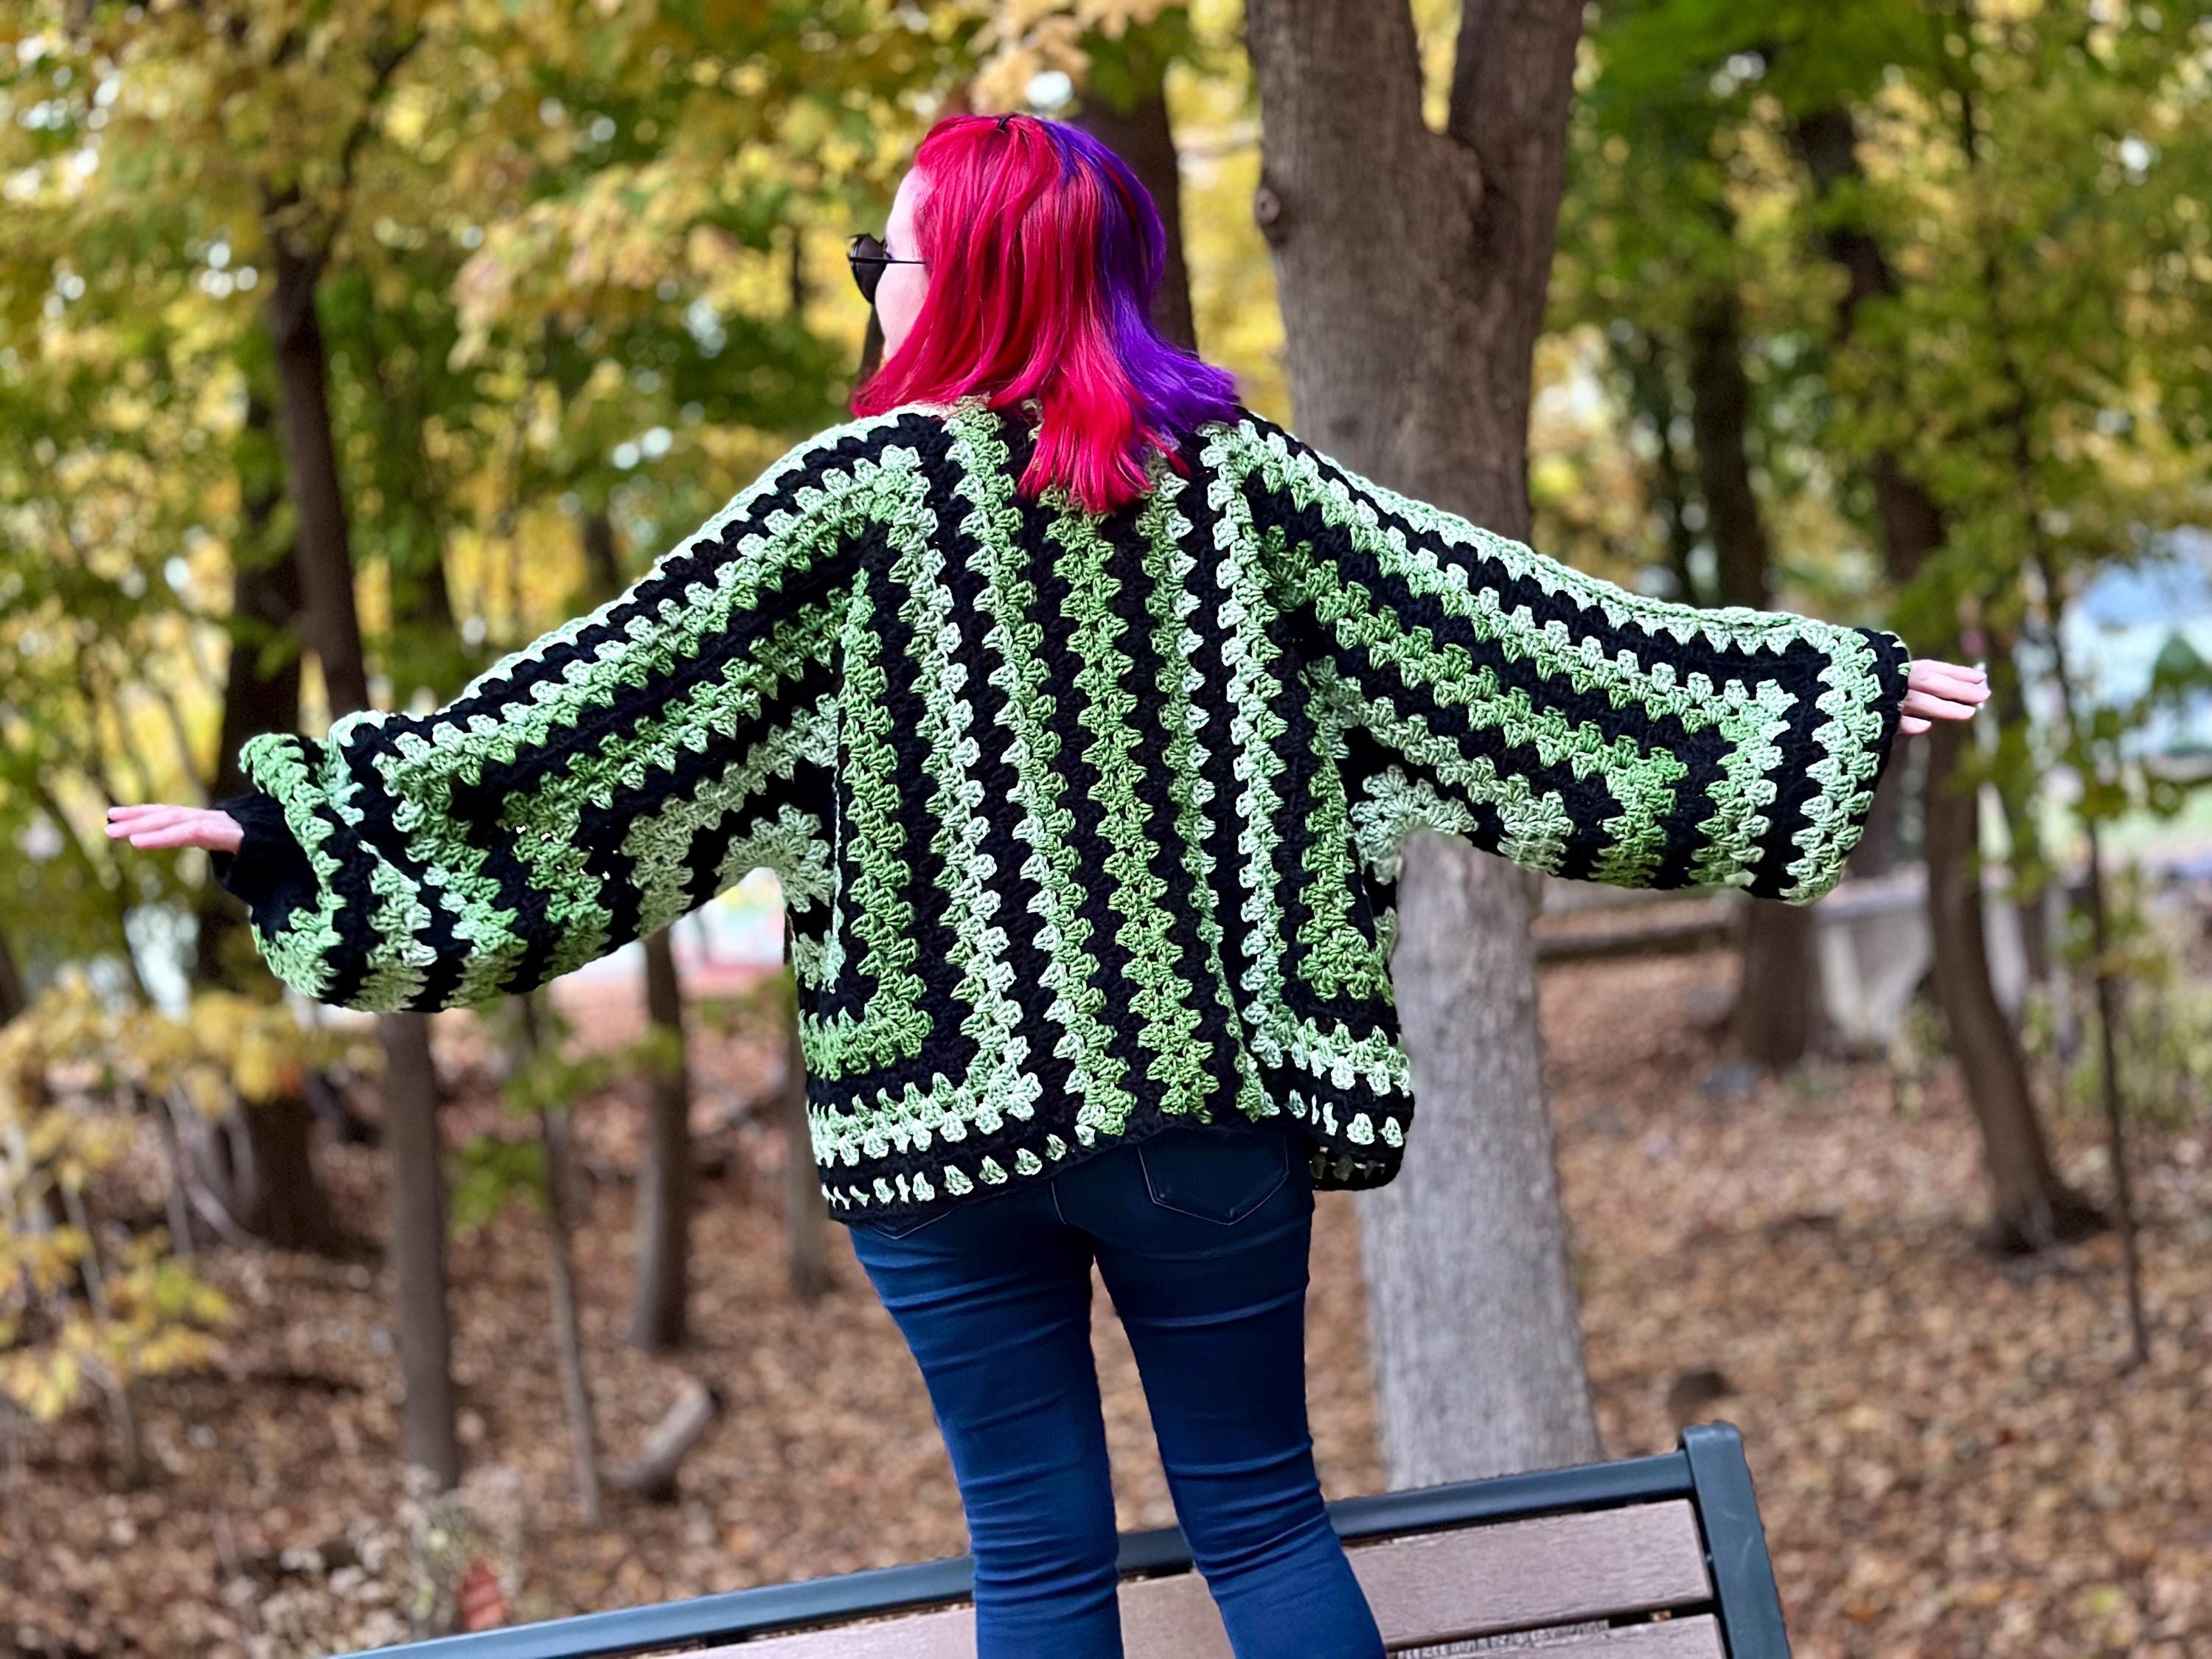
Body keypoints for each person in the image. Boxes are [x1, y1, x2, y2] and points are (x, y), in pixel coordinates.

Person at [108, 111, 1989, 1659]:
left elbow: (580, 730)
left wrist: (307, 822)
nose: (873, 289)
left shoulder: (840, 514)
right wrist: (1805, 695)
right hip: (1205, 1127)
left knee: (1036, 1571)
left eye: (889, 257)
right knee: (1261, 1532)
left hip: (941, 1149)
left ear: (981, 274)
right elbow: (1531, 656)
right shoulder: (1244, 491)